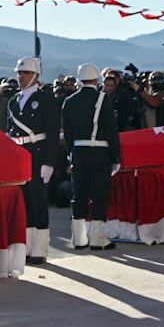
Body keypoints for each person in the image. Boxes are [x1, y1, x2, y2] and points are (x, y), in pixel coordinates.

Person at [62, 63, 121, 251]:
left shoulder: (69, 101)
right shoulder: (103, 99)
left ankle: (79, 239)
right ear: (96, 79)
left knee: (79, 195)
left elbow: (67, 134)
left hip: (78, 152)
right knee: (99, 195)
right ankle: (97, 239)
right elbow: (111, 130)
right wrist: (116, 157)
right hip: (100, 152)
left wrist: (71, 154)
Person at [6, 56, 57, 264]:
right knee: (24, 202)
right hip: (20, 155)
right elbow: (9, 131)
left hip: (38, 153)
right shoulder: (13, 101)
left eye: (25, 73)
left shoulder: (46, 99)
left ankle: (40, 248)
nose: (21, 76)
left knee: (38, 201)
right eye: (19, 73)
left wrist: (49, 162)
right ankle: (26, 246)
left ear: (36, 75)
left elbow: (52, 132)